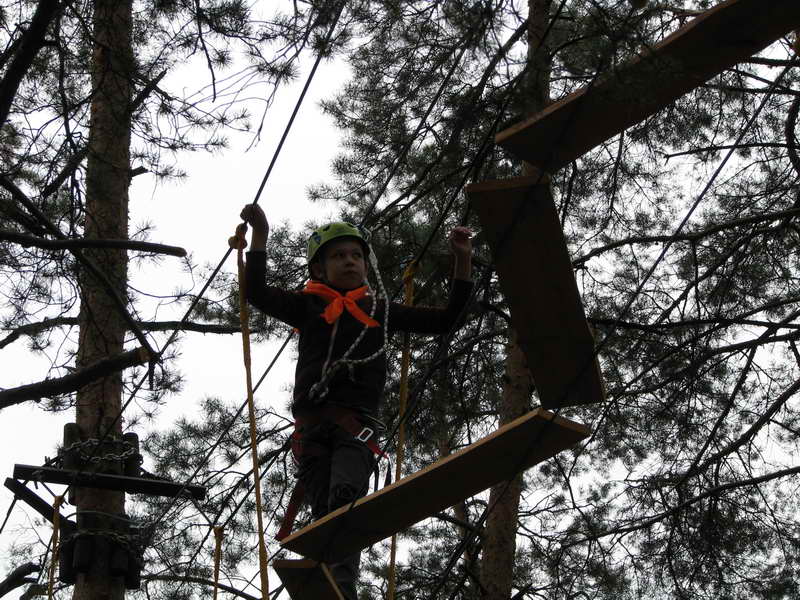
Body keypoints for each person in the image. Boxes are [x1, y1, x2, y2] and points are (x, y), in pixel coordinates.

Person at [239, 204, 473, 599]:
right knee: (324, 513)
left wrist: (462, 261)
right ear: (319, 269)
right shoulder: (308, 306)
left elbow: (445, 320)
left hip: (355, 425)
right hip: (312, 430)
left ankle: (341, 590)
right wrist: (260, 235)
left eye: (356, 256)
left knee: (345, 498)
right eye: (338, 256)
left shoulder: (379, 311)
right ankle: (330, 583)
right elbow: (256, 292)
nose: (349, 262)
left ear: (366, 265)